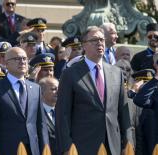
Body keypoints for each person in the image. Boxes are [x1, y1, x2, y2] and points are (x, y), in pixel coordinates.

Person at [55, 26, 133, 155]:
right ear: (84, 45)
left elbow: (123, 113)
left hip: (112, 145)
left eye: (102, 40)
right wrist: (67, 147)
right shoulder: (70, 74)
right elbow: (62, 114)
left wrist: (128, 143)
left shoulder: (116, 73)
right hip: (82, 145)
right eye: (94, 40)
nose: (99, 43)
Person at [0, 47, 49, 155]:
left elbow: (41, 124)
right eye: (17, 59)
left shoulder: (36, 88)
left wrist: (45, 149)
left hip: (33, 149)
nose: (22, 62)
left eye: (24, 58)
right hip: (7, 149)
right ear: (6, 63)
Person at [39, 77, 59, 155]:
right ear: (41, 92)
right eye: (54, 89)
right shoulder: (36, 113)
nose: (58, 91)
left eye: (59, 88)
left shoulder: (63, 112)